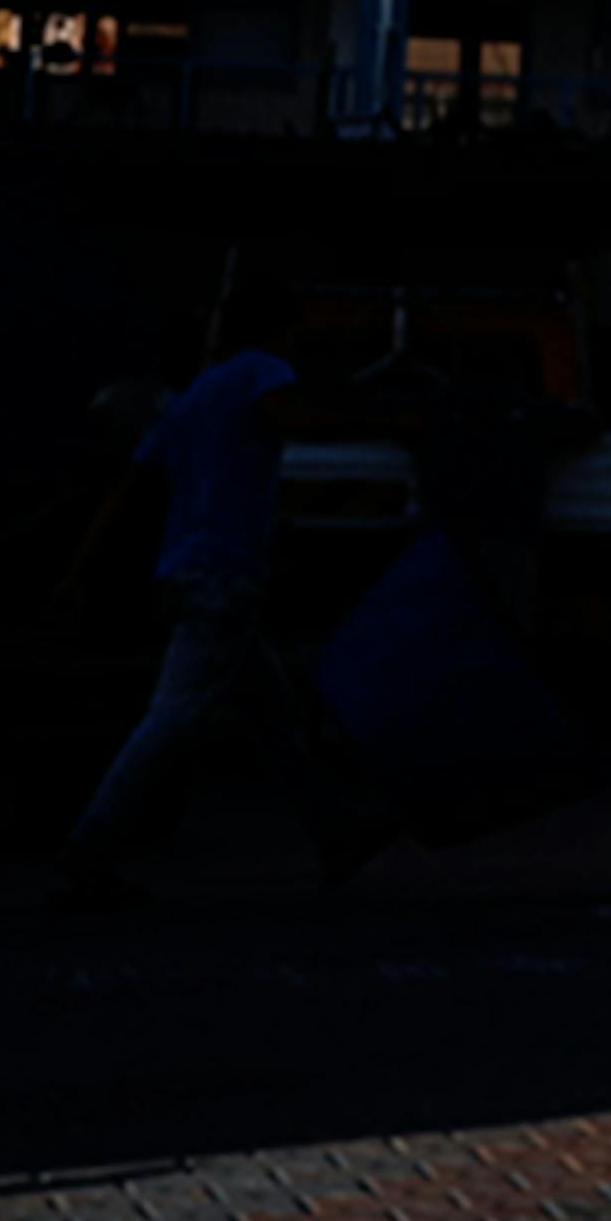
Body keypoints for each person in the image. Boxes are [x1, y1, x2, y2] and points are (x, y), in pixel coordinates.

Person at [58, 271, 384, 910]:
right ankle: (89, 848)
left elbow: (130, 490)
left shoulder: (196, 396)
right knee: (174, 717)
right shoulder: (263, 371)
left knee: (275, 718)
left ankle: (336, 833)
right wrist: (364, 404)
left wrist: (78, 570)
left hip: (191, 574)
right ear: (280, 328)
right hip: (225, 580)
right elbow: (295, 416)